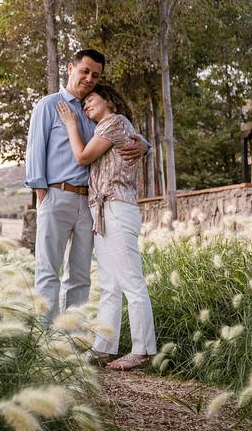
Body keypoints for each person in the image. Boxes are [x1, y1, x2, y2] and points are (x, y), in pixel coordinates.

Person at [25, 49, 145, 323]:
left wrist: (143, 146)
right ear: (71, 68)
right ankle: (42, 339)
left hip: (90, 203)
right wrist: (43, 195)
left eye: (96, 75)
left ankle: (71, 339)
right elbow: (35, 153)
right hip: (57, 196)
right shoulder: (49, 105)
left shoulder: (96, 108)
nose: (90, 78)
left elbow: (123, 130)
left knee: (79, 275)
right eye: (85, 71)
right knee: (48, 272)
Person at [57, 83, 156, 370]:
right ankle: (103, 347)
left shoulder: (114, 122)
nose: (86, 105)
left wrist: (70, 123)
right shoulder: (113, 125)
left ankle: (143, 350)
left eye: (91, 100)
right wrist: (145, 145)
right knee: (109, 284)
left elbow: (82, 157)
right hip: (102, 210)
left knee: (130, 281)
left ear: (109, 100)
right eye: (84, 102)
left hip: (116, 208)